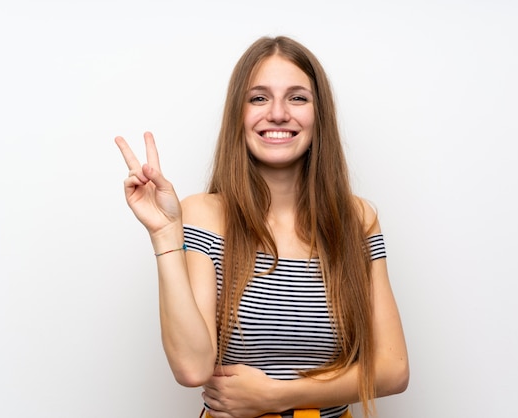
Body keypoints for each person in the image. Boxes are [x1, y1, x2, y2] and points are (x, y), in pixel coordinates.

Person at [115, 36, 408, 418]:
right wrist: (165, 235)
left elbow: (393, 370)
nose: (279, 114)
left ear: (320, 115)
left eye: (298, 98)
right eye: (259, 98)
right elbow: (192, 368)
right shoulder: (204, 215)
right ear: (238, 113)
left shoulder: (358, 220)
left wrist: (277, 394)